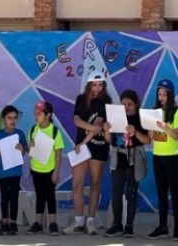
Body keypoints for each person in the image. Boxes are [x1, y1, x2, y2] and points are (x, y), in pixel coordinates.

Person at [66, 72, 112, 236]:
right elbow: (76, 120)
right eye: (94, 84)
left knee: (95, 184)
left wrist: (84, 141)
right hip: (81, 146)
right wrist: (89, 130)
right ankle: (78, 221)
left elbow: (99, 123)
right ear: (89, 85)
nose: (97, 88)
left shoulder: (106, 101)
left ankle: (90, 221)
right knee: (76, 184)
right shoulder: (80, 99)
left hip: (97, 146)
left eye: (100, 85)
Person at [104, 89, 151, 238]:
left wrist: (135, 131)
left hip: (133, 159)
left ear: (136, 104)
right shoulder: (116, 118)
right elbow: (109, 140)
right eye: (123, 104)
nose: (126, 107)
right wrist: (106, 130)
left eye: (129, 104)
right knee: (116, 193)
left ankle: (129, 226)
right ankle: (117, 224)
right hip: (118, 158)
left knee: (131, 194)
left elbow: (147, 140)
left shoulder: (140, 118)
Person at [148, 79, 178, 241]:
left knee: (174, 191)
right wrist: (150, 126)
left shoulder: (177, 112)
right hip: (158, 156)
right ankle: (163, 226)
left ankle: (177, 228)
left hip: (172, 157)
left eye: (164, 93)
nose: (161, 96)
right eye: (159, 93)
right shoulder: (154, 111)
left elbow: (176, 135)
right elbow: (150, 137)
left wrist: (164, 126)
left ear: (170, 95)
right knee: (161, 192)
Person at [26, 100, 64, 236]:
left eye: (39, 114)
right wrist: (29, 147)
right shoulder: (32, 130)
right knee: (40, 196)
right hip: (36, 169)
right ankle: (38, 223)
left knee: (50, 196)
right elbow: (28, 151)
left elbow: (59, 154)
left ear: (48, 115)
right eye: (35, 114)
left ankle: (53, 223)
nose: (36, 117)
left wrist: (56, 172)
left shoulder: (54, 132)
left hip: (49, 170)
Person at [0, 105, 26, 237]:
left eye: (15, 118)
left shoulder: (20, 134)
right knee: (4, 197)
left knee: (14, 197)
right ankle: (4, 222)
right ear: (4, 119)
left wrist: (21, 148)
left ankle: (13, 222)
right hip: (3, 172)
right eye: (9, 118)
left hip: (16, 172)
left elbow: (24, 151)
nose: (12, 120)